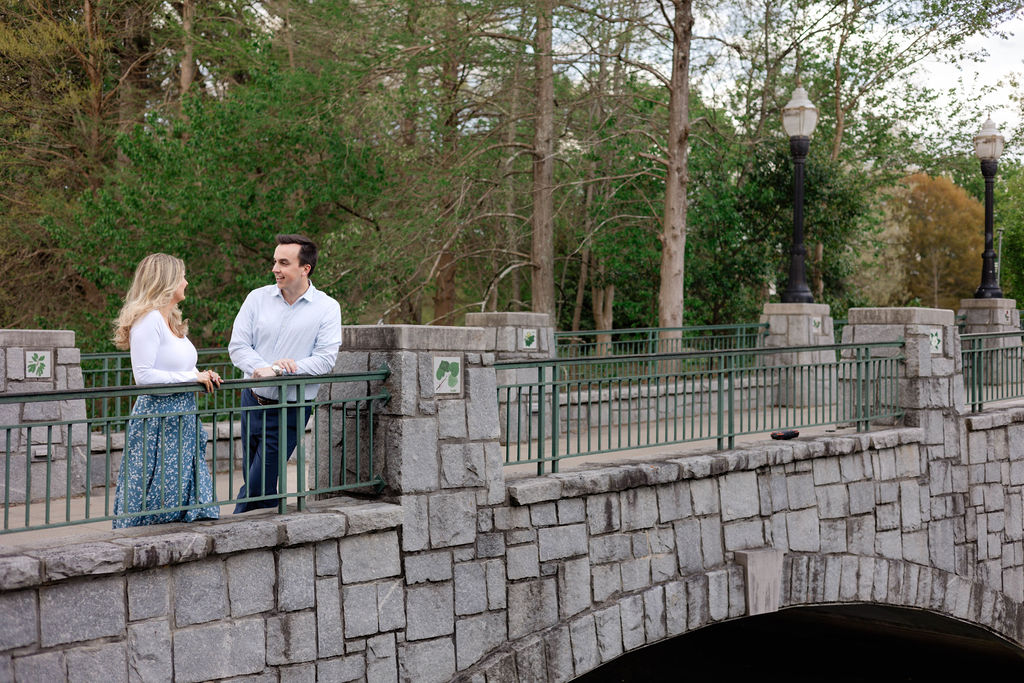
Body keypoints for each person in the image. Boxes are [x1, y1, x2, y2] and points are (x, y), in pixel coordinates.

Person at [229, 234, 341, 512]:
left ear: (305, 269)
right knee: (257, 480)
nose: (275, 269)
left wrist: (281, 370)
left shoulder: (327, 308)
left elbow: (325, 360)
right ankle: (269, 529)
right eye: (274, 261)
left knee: (259, 480)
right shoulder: (256, 299)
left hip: (290, 407)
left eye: (283, 262)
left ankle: (234, 528)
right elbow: (238, 346)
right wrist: (261, 368)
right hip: (252, 400)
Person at [111, 253, 222, 528]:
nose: (186, 282)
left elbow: (181, 367)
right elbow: (144, 377)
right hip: (158, 420)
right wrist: (192, 378)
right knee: (156, 496)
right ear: (167, 282)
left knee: (181, 498)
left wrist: (202, 375)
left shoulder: (171, 321)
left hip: (181, 417)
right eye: (181, 276)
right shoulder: (148, 321)